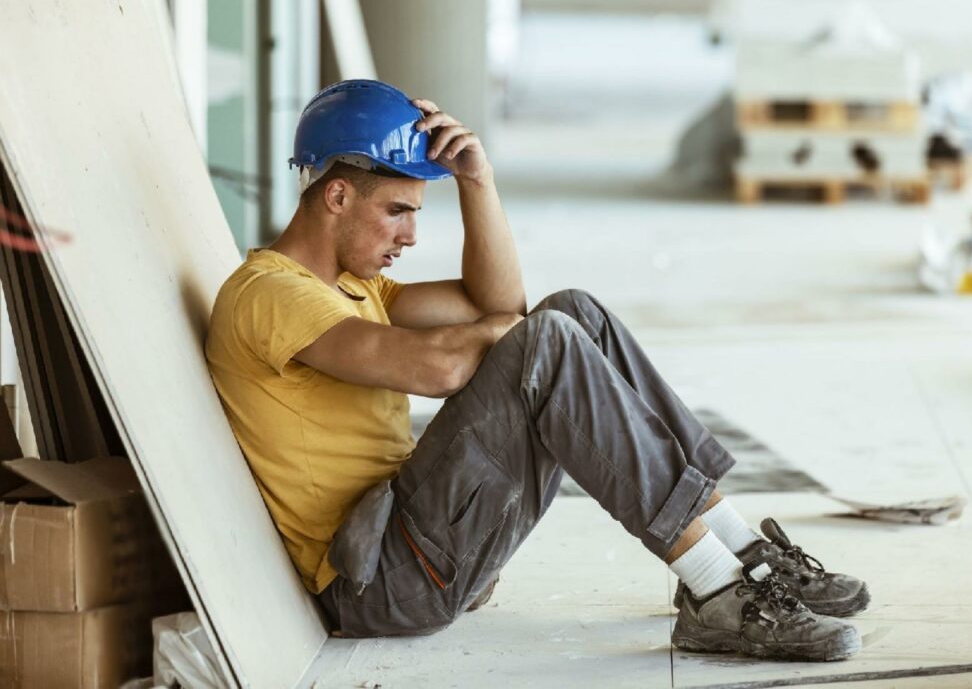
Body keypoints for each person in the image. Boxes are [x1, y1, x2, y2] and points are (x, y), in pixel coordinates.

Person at [205, 80, 871, 661]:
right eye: (398, 211)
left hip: (421, 547)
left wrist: (477, 181)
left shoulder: (359, 291)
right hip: (376, 583)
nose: (410, 235)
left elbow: (500, 306)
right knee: (546, 340)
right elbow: (438, 368)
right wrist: (517, 334)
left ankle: (741, 551)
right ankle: (718, 589)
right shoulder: (268, 294)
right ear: (339, 195)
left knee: (573, 313)